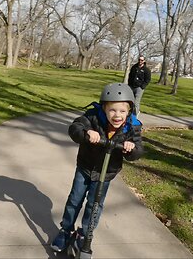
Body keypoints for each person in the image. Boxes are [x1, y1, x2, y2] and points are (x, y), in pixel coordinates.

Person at [50, 83, 144, 253]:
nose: (117, 115)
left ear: (129, 111)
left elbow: (138, 150)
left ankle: (84, 235)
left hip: (106, 173)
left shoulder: (132, 126)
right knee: (75, 200)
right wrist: (86, 132)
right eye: (112, 110)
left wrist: (131, 148)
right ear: (104, 109)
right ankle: (66, 230)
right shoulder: (93, 117)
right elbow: (75, 128)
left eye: (122, 111)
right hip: (85, 166)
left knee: (95, 205)